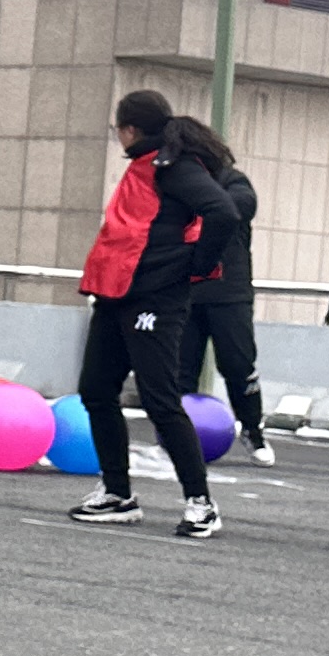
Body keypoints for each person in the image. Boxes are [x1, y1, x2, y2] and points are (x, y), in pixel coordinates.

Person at [66, 87, 234, 539]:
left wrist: (193, 266)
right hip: (116, 293)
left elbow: (222, 212)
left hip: (155, 299)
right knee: (96, 390)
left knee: (160, 399)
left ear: (129, 129)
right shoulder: (147, 164)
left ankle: (201, 502)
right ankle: (117, 493)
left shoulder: (174, 166)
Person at [181, 119, 273, 469]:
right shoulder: (173, 185)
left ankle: (253, 429)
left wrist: (204, 205)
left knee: (237, 363)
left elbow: (238, 209)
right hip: (184, 292)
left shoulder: (232, 181)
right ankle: (177, 436)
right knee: (180, 369)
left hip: (228, 291)